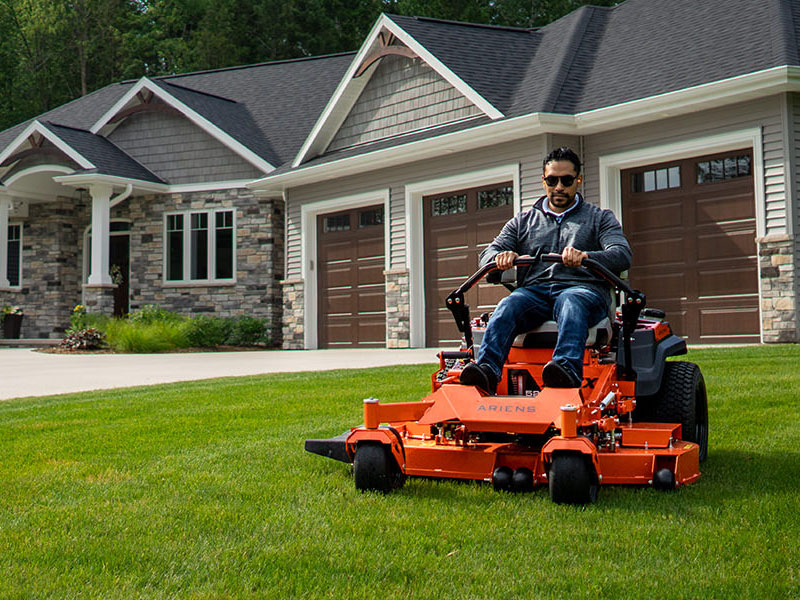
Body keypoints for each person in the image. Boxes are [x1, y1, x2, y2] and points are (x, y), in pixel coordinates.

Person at [459, 147, 632, 393]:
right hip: (536, 294)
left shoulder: (600, 218)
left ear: (578, 181)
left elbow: (622, 254)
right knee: (508, 305)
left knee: (570, 301)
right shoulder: (523, 221)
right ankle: (486, 371)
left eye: (566, 180)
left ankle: (566, 369)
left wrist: (586, 257)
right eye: (552, 180)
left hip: (583, 291)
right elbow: (487, 255)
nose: (559, 186)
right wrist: (500, 257)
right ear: (544, 181)